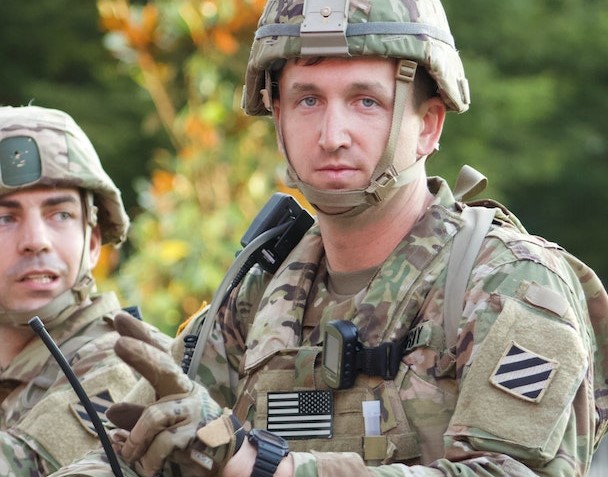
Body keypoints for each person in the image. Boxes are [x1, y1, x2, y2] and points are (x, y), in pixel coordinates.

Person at [50, 0, 608, 476]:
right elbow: (129, 447)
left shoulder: (509, 282)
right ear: (277, 116)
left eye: (366, 101)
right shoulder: (256, 293)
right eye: (307, 99)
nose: (331, 135)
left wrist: (267, 466)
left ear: (429, 126)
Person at [0, 105, 170, 476]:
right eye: (5, 218)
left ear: (92, 241)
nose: (35, 242)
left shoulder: (127, 363)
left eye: (59, 215)